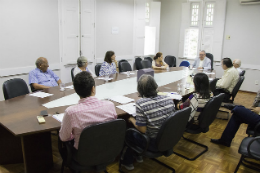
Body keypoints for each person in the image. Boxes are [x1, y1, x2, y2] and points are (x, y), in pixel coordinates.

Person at [121, 74, 175, 170]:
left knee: (129, 131)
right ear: (155, 86)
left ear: (140, 90)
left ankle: (127, 162)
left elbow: (142, 130)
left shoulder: (141, 103)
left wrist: (132, 120)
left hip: (152, 143)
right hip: (168, 138)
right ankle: (139, 156)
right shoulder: (169, 99)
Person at [59, 71, 117, 149]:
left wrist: (75, 134)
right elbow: (113, 126)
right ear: (93, 88)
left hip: (84, 155)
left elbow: (64, 138)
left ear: (75, 90)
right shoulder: (110, 105)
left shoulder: (71, 112)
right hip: (108, 149)